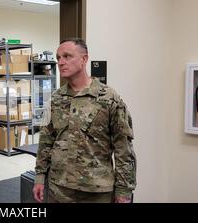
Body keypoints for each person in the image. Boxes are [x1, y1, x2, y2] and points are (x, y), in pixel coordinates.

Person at [33, 38, 136, 203]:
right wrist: (39, 177)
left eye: (67, 56)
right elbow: (46, 141)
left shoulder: (109, 98)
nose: (61, 62)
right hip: (59, 188)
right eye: (58, 58)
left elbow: (123, 148)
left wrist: (124, 189)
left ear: (84, 59)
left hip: (96, 192)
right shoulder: (55, 99)